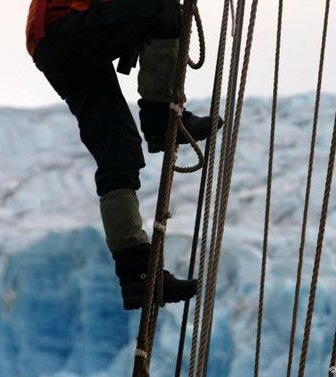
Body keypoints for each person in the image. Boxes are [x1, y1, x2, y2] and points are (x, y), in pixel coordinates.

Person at [26, 0, 220, 309]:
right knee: (164, 11)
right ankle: (162, 118)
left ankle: (137, 274)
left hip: (54, 44)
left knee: (119, 151)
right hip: (64, 28)